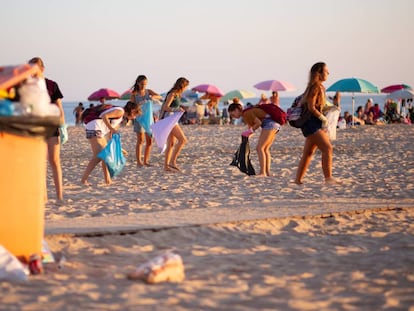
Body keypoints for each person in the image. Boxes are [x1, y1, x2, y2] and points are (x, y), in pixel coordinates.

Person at [295, 62, 339, 185]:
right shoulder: (315, 87)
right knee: (327, 148)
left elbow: (318, 106)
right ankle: (328, 178)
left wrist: (330, 109)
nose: (328, 73)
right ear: (318, 73)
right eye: (326, 71)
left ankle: (298, 180)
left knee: (308, 152)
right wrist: (322, 118)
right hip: (311, 123)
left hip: (313, 123)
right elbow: (311, 107)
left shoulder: (318, 87)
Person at [28, 57, 65, 202]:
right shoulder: (28, 86)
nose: (32, 72)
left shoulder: (51, 85)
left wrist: (62, 125)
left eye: (34, 68)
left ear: (42, 69)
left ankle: (59, 196)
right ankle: (43, 196)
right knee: (41, 162)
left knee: (54, 161)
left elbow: (59, 107)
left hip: (51, 125)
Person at [81, 101, 141, 185]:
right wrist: (111, 129)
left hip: (97, 129)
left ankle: (107, 180)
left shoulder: (119, 117)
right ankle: (84, 179)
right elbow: (104, 116)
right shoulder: (120, 112)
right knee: (98, 156)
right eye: (135, 114)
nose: (134, 117)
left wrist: (120, 149)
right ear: (132, 111)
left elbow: (110, 137)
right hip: (95, 127)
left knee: (107, 154)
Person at [228, 102, 281, 177]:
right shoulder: (247, 113)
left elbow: (258, 123)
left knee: (260, 148)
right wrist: (246, 136)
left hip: (270, 125)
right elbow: (251, 127)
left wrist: (249, 132)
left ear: (236, 110)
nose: (233, 117)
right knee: (265, 149)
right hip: (275, 124)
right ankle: (267, 172)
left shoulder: (246, 113)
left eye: (232, 114)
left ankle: (263, 172)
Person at [130, 75, 162, 167]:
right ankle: (139, 162)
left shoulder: (149, 91)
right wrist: (138, 105)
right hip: (139, 119)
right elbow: (131, 106)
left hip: (149, 119)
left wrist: (153, 97)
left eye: (145, 84)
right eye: (142, 84)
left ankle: (146, 161)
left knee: (150, 141)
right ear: (138, 83)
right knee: (140, 140)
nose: (144, 86)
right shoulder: (134, 94)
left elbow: (160, 96)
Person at [159, 77, 189, 172]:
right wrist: (176, 109)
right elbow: (165, 107)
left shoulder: (177, 95)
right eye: (186, 87)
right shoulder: (172, 94)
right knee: (183, 140)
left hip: (172, 119)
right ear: (182, 86)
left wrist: (179, 108)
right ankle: (172, 161)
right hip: (169, 119)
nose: (186, 89)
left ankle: (166, 166)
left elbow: (172, 106)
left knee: (171, 143)